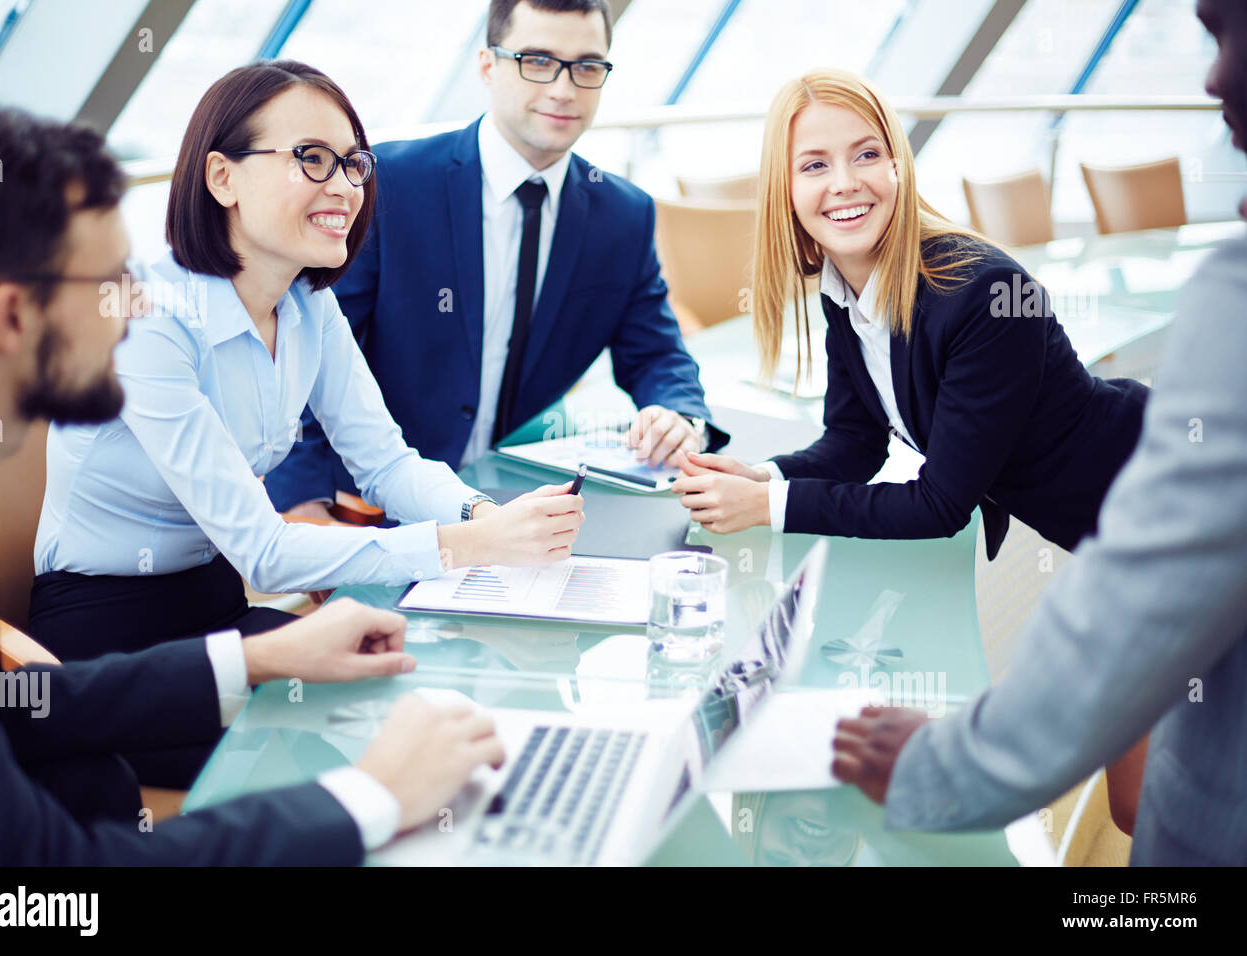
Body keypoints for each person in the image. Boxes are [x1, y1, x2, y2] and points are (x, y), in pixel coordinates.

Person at [0, 98, 505, 865]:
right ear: (11, 317)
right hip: (110, 624)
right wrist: (367, 797)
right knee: (373, 763)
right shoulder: (164, 326)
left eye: (351, 163)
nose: (135, 302)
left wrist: (259, 660)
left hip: (200, 615)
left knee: (419, 715)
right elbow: (48, 888)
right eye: (112, 282)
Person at [830, 0, 1247, 866]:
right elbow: (851, 440)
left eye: (1232, 32)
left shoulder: (981, 292)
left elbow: (1120, 609)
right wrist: (754, 481)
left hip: (1120, 513)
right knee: (1138, 799)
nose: (1213, 76)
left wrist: (944, 763)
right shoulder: (848, 307)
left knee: (1143, 805)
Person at [30, 60, 584, 663]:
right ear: (222, 177)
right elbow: (264, 553)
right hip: (105, 634)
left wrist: (486, 514)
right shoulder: (147, 319)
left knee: (402, 678)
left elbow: (387, 466)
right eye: (311, 158)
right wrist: (469, 543)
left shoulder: (307, 306)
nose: (346, 187)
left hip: (216, 603)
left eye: (352, 163)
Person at [266, 0, 727, 520]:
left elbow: (657, 354)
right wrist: (302, 502)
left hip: (512, 503)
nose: (563, 88)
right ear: (487, 65)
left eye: (587, 66)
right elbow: (308, 352)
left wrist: (679, 414)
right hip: (364, 502)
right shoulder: (386, 187)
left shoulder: (622, 215)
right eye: (537, 60)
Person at [669, 69, 1148, 561]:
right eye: (814, 166)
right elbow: (854, 442)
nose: (845, 183)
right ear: (784, 189)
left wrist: (768, 506)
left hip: (1180, 494)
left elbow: (939, 505)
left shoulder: (986, 293)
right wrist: (765, 477)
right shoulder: (843, 288)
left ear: (898, 166)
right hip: (1119, 534)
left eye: (867, 155)